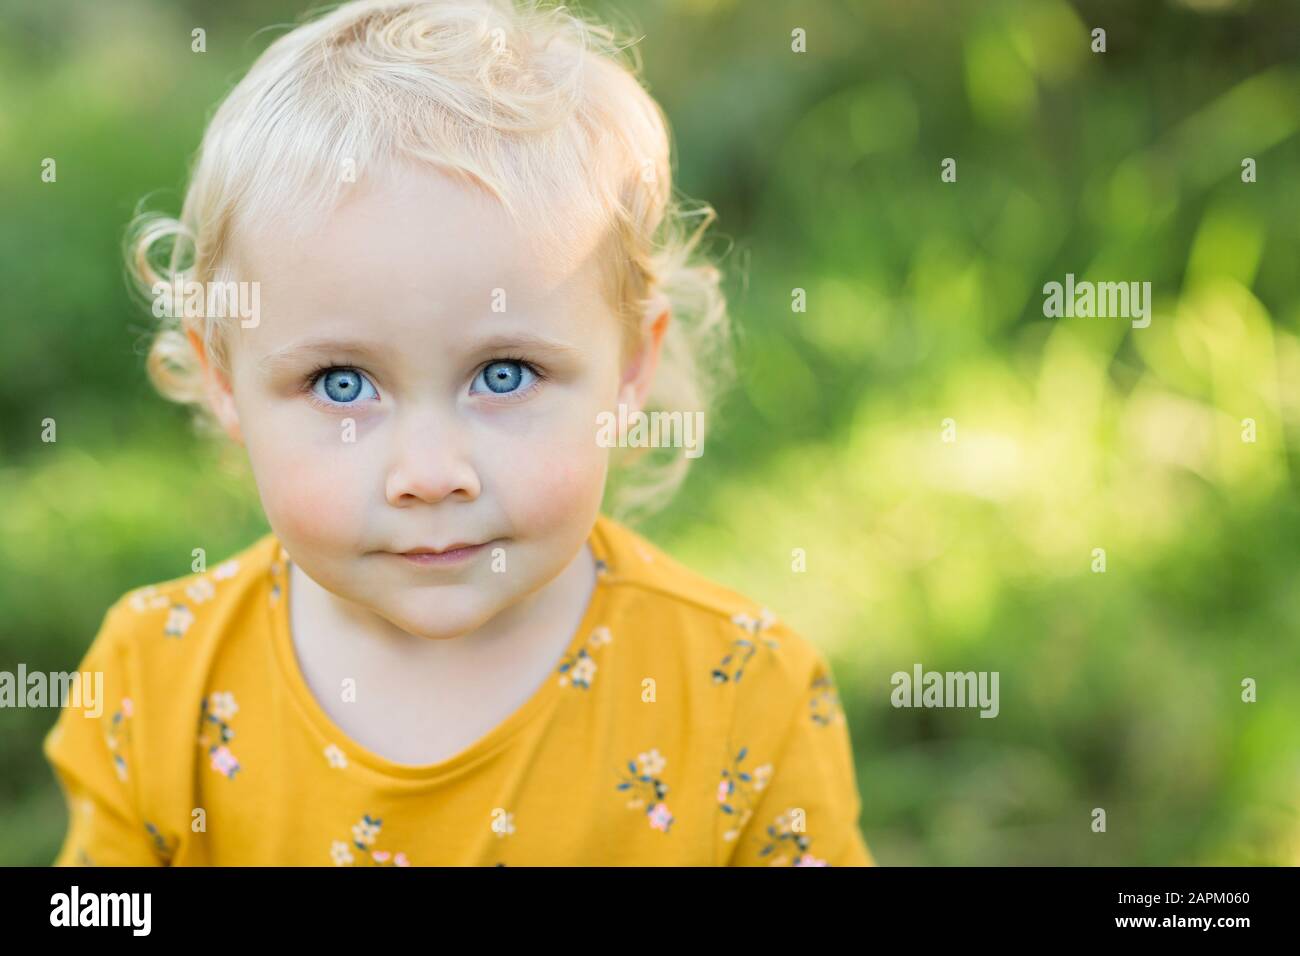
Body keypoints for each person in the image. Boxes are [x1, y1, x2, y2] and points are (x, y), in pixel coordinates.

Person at [44, 0, 873, 866]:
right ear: (224, 381)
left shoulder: (740, 690)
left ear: (630, 369)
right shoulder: (153, 680)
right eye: (342, 383)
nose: (431, 474)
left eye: (504, 375)